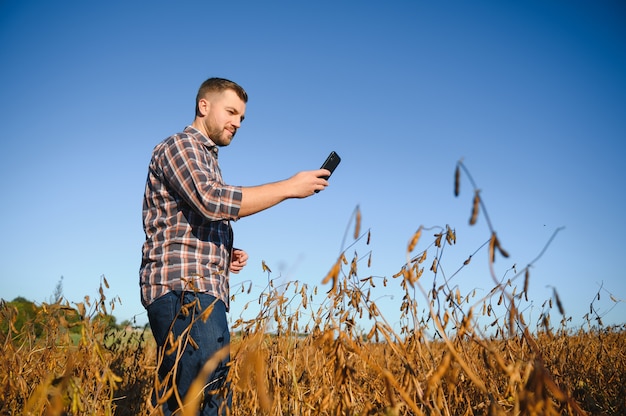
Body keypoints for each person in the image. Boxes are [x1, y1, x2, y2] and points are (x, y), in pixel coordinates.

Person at [139, 77, 330, 415]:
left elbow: (191, 218)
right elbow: (211, 201)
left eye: (242, 118)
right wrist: (289, 186)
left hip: (202, 291)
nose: (237, 123)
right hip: (184, 290)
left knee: (211, 397)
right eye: (231, 112)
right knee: (192, 401)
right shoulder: (180, 147)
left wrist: (223, 250)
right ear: (204, 106)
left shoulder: (207, 159)